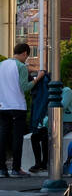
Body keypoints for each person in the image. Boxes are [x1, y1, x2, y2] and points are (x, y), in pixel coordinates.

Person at [0, 42, 45, 177]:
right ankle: (16, 169)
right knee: (17, 138)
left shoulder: (2, 65)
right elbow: (25, 87)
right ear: (25, 53)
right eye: (27, 57)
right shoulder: (21, 66)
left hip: (3, 106)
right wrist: (38, 78)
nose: (26, 59)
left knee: (2, 137)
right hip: (17, 107)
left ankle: (2, 169)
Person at [28, 69, 50, 173]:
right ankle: (42, 163)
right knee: (40, 137)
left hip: (45, 120)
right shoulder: (46, 84)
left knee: (39, 136)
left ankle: (40, 163)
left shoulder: (42, 85)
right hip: (45, 119)